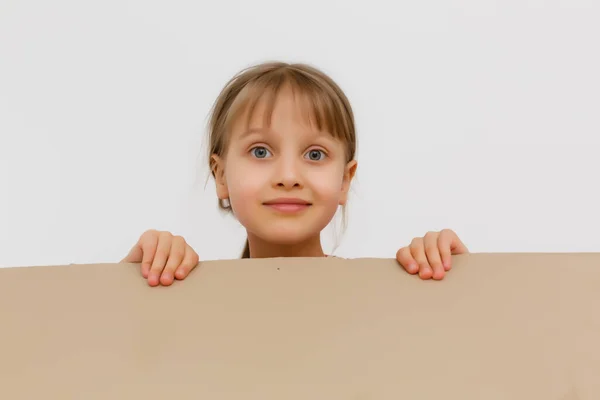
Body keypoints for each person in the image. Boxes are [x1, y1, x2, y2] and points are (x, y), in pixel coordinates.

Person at [120, 61, 469, 286]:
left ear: (345, 180)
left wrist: (460, 278)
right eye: (261, 151)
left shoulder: (382, 293)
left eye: (315, 154)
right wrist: (130, 278)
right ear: (221, 175)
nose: (288, 176)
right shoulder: (190, 293)